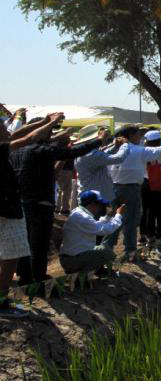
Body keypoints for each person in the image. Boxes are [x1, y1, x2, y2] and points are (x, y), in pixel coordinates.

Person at [10, 117, 102, 284]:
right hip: (41, 203)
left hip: (22, 203)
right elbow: (73, 152)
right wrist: (98, 140)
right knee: (39, 243)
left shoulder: (17, 151)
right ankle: (38, 278)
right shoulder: (41, 150)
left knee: (25, 242)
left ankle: (24, 275)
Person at [0, 113, 60, 317]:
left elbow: (18, 134)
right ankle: (1, 302)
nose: (7, 131)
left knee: (9, 255)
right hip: (6, 211)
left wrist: (44, 123)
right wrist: (51, 123)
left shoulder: (3, 145)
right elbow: (27, 139)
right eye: (2, 127)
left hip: (8, 209)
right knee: (10, 257)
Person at [111, 124, 161, 259]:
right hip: (137, 187)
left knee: (121, 218)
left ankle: (111, 247)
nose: (140, 136)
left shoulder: (112, 150)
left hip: (116, 187)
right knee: (134, 219)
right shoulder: (140, 150)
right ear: (130, 136)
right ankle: (131, 250)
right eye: (137, 133)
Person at [59, 190, 125, 275]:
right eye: (99, 204)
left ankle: (89, 271)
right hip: (72, 260)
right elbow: (104, 230)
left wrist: (109, 216)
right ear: (92, 204)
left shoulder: (79, 212)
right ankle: (81, 275)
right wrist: (119, 215)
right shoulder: (82, 217)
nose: (100, 207)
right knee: (106, 252)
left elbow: (96, 225)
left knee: (103, 248)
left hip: (73, 257)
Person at [74, 125, 128, 202]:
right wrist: (125, 145)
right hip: (96, 198)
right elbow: (118, 158)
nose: (104, 139)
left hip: (91, 195)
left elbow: (103, 155)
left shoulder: (85, 153)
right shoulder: (91, 154)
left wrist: (115, 146)